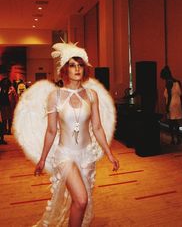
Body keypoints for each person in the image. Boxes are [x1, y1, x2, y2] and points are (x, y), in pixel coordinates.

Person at [13, 42, 119, 226]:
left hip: (87, 156)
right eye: (72, 65)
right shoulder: (56, 96)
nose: (77, 69)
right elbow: (51, 131)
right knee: (81, 199)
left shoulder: (92, 95)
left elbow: (98, 127)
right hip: (65, 156)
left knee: (79, 203)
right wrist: (42, 159)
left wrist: (110, 154)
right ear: (65, 69)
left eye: (80, 64)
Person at [160, 65, 182, 144]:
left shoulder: (169, 82)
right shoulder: (178, 82)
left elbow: (169, 96)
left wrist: (167, 106)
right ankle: (178, 138)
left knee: (171, 122)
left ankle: (173, 139)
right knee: (176, 122)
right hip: (178, 103)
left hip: (172, 104)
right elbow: (181, 94)